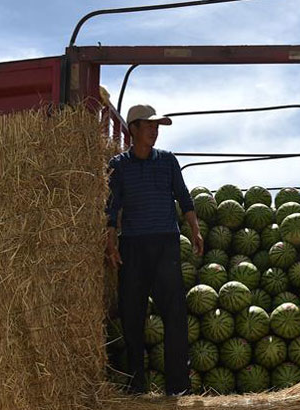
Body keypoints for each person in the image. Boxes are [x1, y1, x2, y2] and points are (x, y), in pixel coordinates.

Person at [105, 104, 204, 396]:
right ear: (133, 129)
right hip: (133, 246)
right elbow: (112, 207)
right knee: (131, 314)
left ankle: (178, 386)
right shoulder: (118, 165)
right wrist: (111, 241)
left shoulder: (168, 161)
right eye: (149, 126)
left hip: (165, 244)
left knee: (174, 314)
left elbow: (184, 198)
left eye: (157, 126)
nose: (154, 130)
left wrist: (195, 229)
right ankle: (137, 383)